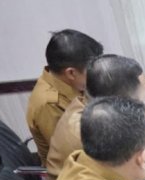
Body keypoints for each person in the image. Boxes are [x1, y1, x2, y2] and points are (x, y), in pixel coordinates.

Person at [26, 29, 103, 162]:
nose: (96, 74)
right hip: (72, 172)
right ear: (71, 73)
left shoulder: (69, 83)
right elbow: (71, 154)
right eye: (92, 70)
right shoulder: (48, 104)